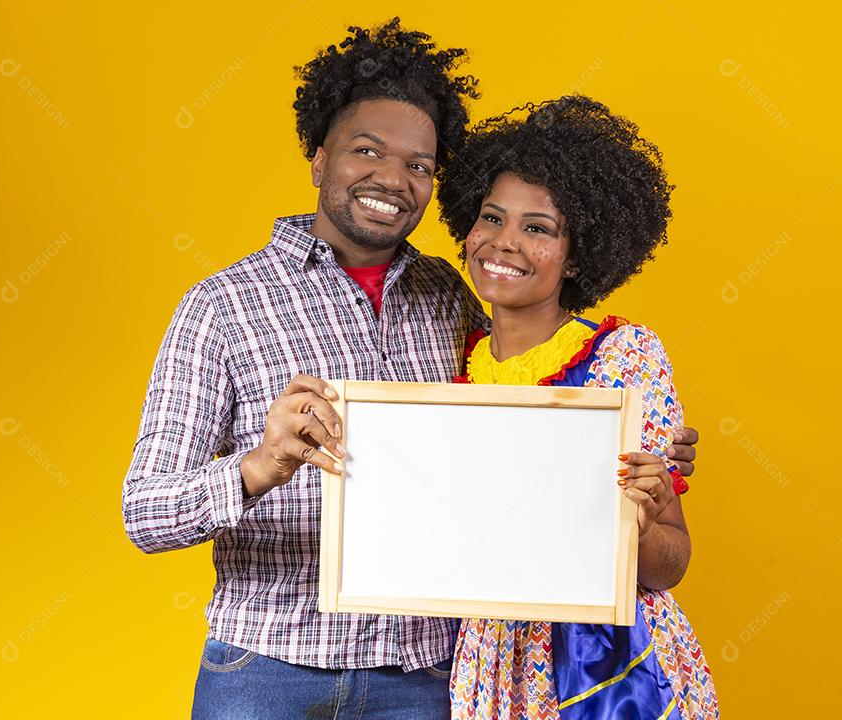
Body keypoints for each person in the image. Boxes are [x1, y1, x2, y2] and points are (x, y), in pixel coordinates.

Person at [123, 19, 701, 718]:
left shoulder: (453, 301)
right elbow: (144, 514)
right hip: (267, 674)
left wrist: (634, 461)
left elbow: (531, 426)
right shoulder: (221, 307)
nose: (392, 179)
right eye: (366, 150)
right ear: (317, 156)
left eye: (419, 165)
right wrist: (257, 468)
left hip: (430, 677)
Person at [436, 95, 719, 719]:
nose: (503, 243)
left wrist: (641, 520)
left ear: (579, 254)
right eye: (492, 217)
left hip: (610, 662)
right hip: (489, 661)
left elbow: (670, 562)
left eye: (538, 228)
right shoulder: (450, 366)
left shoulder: (624, 356)